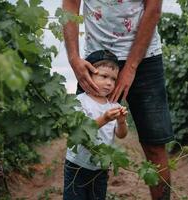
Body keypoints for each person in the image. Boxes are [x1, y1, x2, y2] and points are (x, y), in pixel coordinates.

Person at [62, 0, 174, 199]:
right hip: (97, 60)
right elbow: (70, 5)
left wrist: (130, 67)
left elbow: (154, 8)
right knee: (85, 139)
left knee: (155, 146)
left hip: (145, 57)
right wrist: (73, 59)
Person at [63, 50, 128, 200]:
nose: (109, 83)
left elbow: (121, 134)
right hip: (77, 165)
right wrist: (104, 118)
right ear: (88, 76)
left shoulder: (114, 105)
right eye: (104, 76)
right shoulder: (80, 101)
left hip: (100, 166)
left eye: (113, 79)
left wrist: (121, 121)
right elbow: (81, 131)